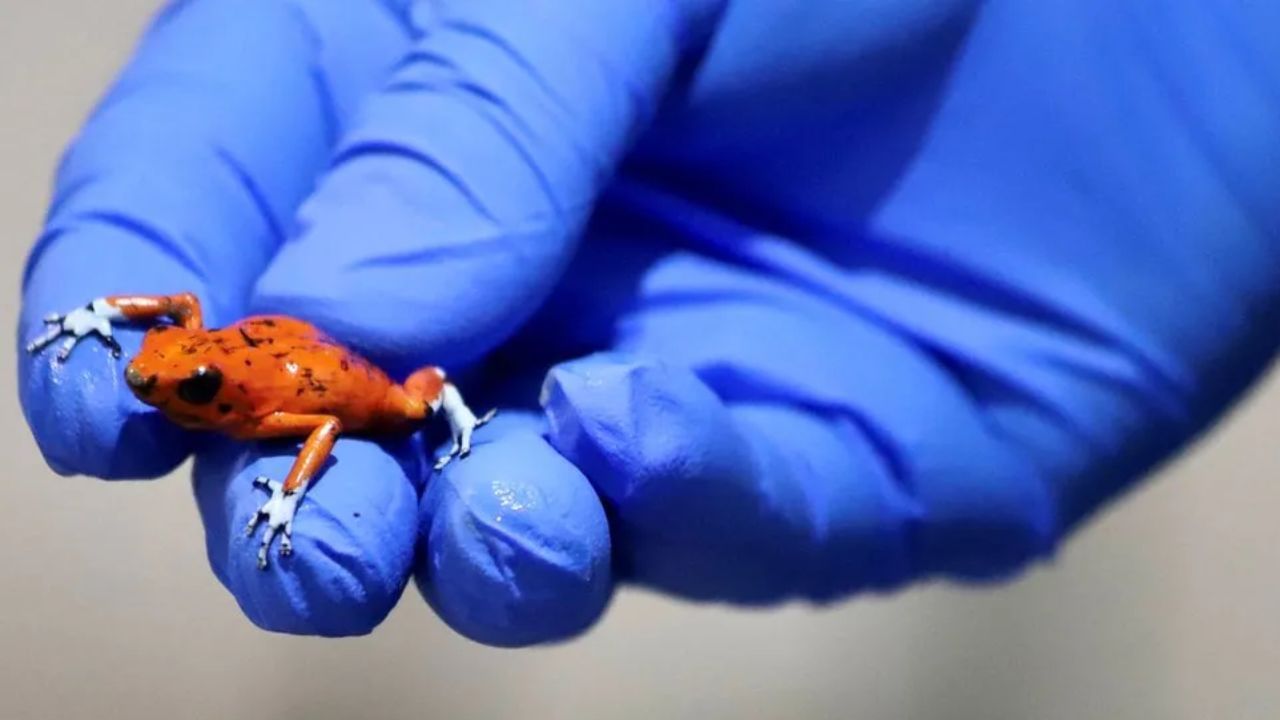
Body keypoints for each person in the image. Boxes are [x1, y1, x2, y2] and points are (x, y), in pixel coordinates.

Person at [16, 0, 1280, 646]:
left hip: (350, 375)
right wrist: (116, 317)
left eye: (178, 382)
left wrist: (318, 473)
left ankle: (450, 422)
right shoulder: (195, 347)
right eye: (172, 378)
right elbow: (183, 312)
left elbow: (307, 434)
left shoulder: (270, 404)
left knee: (416, 402)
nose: (161, 378)